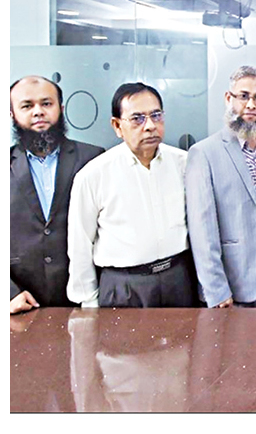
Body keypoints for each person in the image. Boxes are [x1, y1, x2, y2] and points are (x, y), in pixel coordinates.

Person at [67, 82, 193, 308]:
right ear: (117, 126)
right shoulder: (93, 175)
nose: (150, 126)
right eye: (137, 119)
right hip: (124, 286)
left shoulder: (184, 164)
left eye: (156, 116)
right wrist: (88, 301)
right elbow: (80, 244)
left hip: (178, 278)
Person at [185, 66, 256, 307]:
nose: (251, 105)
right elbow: (202, 232)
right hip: (233, 283)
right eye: (243, 96)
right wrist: (216, 290)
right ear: (229, 98)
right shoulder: (204, 153)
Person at [10, 75, 103, 313]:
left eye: (46, 103)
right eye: (27, 106)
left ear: (61, 109)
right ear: (12, 114)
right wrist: (8, 292)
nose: (38, 112)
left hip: (88, 299)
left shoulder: (93, 159)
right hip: (22, 302)